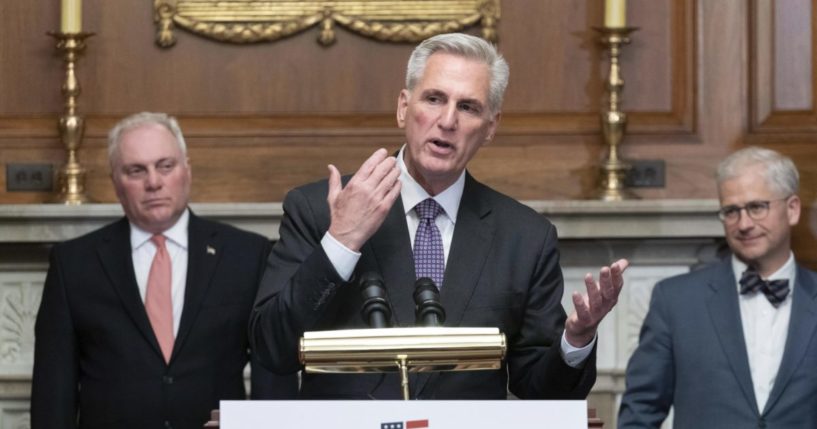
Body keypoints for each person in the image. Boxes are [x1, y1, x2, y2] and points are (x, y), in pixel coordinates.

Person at [250, 33, 627, 399]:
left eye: (468, 107)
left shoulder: (525, 237)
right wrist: (341, 241)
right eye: (434, 99)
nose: (448, 121)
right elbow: (272, 349)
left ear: (490, 126)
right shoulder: (318, 208)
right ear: (403, 108)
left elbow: (541, 390)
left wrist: (576, 339)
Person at [30, 112, 297, 429]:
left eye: (165, 166)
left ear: (187, 171)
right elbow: (52, 393)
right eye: (136, 170)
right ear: (116, 182)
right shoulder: (73, 264)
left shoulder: (247, 255)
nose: (153, 182)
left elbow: (274, 374)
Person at [618, 146, 817, 428]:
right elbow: (640, 413)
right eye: (731, 211)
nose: (744, 224)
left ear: (793, 209)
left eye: (757, 207)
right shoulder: (675, 301)